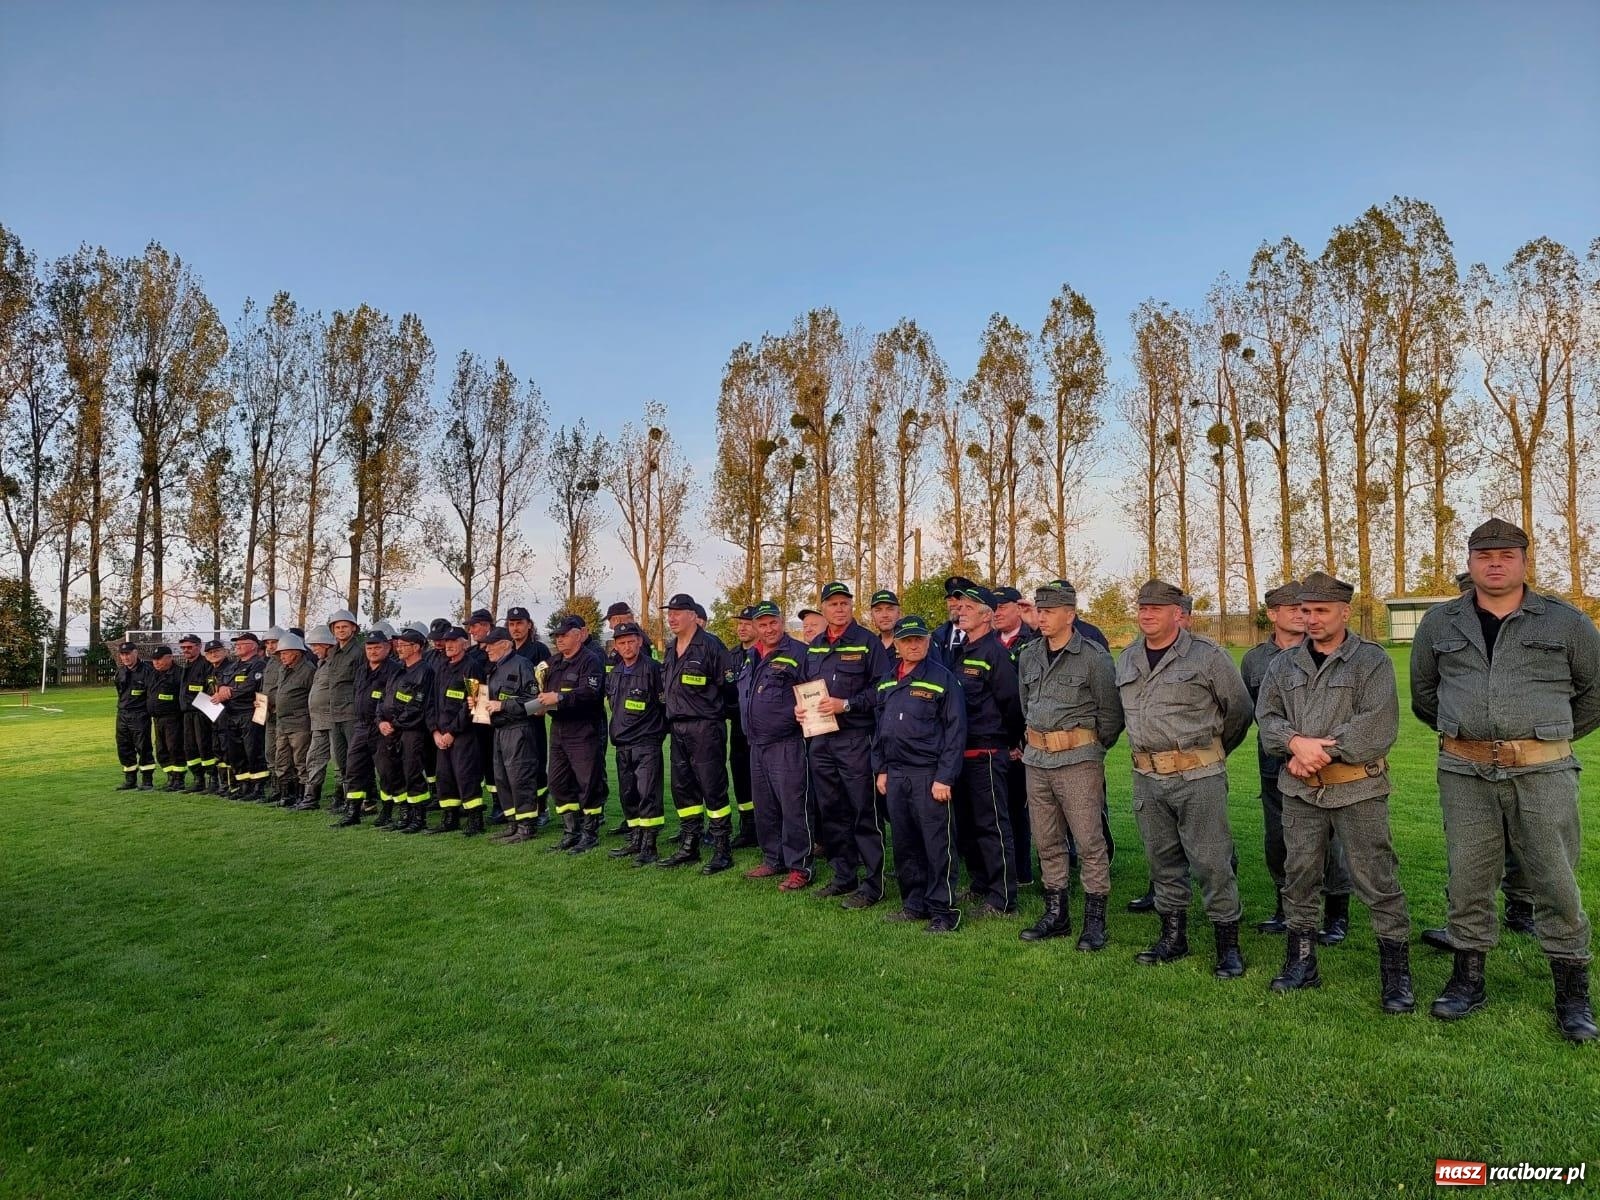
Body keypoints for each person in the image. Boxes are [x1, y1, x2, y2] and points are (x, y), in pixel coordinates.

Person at [1411, 518, 1599, 1043]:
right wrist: (1471, 737)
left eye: (1507, 554)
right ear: (1470, 562)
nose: (1495, 562)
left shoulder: (1567, 623)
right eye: (1484, 554)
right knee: (1468, 877)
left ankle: (1572, 992)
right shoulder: (1439, 623)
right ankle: (1467, 979)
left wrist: (1542, 736)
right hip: (1464, 772)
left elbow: (1593, 694)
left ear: (1524, 560)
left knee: (1555, 879)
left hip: (1544, 772)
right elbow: (1426, 696)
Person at [1256, 572, 1413, 1014]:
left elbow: (1377, 725)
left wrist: (1315, 751)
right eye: (1305, 610)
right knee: (1299, 876)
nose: (1311, 619)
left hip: (1357, 790)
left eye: (1321, 611)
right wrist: (1292, 743)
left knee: (1377, 879)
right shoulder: (1282, 665)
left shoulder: (1372, 662)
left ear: (1345, 612)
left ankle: (1395, 976)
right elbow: (1266, 717)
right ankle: (1301, 963)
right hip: (1300, 792)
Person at [1117, 579, 1253, 978]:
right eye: (1143, 607)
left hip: (1199, 777)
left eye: (1156, 608)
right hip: (1147, 776)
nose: (1147, 614)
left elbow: (1240, 711)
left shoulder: (1209, 657)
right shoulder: (1127, 659)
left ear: (1178, 614)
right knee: (1162, 861)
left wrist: (1208, 753)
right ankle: (1172, 937)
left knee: (1212, 862)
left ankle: (1228, 946)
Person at [1240, 582, 1353, 938]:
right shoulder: (1255, 660)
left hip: (1325, 760)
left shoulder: (1325, 649)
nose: (1301, 615)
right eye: (1292, 608)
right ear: (1272, 614)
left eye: (1305, 608)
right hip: (1275, 760)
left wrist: (1315, 751)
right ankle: (1286, 907)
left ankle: (1336, 913)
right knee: (1278, 837)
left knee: (1330, 839)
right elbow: (1251, 712)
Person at [1015, 582, 1124, 950]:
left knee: (1089, 841)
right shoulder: (1029, 655)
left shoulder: (1094, 657)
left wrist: (1091, 748)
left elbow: (1111, 715)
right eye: (1039, 611)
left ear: (1069, 615)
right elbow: (1025, 703)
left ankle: (1095, 922)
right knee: (1046, 840)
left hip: (1078, 760)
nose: (1041, 617)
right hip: (1037, 759)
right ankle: (1056, 913)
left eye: (1048, 611)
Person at [799, 582, 893, 907]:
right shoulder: (814, 646)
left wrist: (847, 704)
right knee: (831, 811)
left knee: (862, 811)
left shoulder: (867, 643)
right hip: (821, 739)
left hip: (855, 739)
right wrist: (800, 708)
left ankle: (872, 883)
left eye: (845, 603)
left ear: (851, 606)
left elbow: (883, 689)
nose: (839, 609)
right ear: (823, 609)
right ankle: (843, 875)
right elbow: (804, 686)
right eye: (833, 604)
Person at [873, 615, 968, 933]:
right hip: (896, 775)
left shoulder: (943, 679)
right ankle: (914, 904)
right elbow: (880, 728)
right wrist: (882, 769)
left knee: (937, 845)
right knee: (905, 844)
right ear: (896, 645)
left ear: (928, 642)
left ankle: (943, 911)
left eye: (919, 639)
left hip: (929, 776)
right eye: (907, 640)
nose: (913, 645)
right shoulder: (887, 680)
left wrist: (945, 776)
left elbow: (956, 731)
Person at [948, 582, 1025, 918]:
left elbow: (1012, 705)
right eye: (959, 607)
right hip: (960, 753)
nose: (959, 611)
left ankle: (1002, 897)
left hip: (987, 752)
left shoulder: (996, 655)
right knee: (967, 825)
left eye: (967, 608)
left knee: (992, 824)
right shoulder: (960, 651)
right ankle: (980, 883)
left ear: (987, 615)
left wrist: (1007, 743)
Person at [659, 593, 738, 870]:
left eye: (678, 612)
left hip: (705, 727)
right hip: (677, 728)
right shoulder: (670, 648)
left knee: (712, 786)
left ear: (693, 615)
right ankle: (689, 844)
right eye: (670, 612)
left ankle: (722, 849)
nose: (672, 617)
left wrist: (714, 713)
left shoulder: (711, 645)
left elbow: (729, 688)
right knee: (683, 788)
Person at [737, 600, 813, 888]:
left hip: (787, 742)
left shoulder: (798, 653)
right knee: (765, 806)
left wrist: (804, 716)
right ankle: (773, 859)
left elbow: (813, 693)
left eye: (773, 623)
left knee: (793, 807)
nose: (768, 629)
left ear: (782, 622)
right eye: (762, 624)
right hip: (757, 743)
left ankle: (800, 867)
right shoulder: (751, 655)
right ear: (755, 627)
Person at [537, 615, 608, 853]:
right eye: (557, 636)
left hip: (583, 729)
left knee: (588, 783)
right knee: (557, 782)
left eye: (564, 635)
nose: (559, 640)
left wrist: (560, 697)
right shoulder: (554, 662)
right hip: (559, 730)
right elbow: (545, 691)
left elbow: (591, 693)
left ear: (578, 635)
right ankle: (571, 831)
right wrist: (540, 705)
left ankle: (590, 833)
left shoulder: (591, 661)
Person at [605, 620, 668, 864]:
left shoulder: (654, 669)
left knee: (647, 794)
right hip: (622, 743)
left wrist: (656, 733)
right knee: (628, 794)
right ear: (616, 646)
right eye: (622, 643)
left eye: (631, 641)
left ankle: (649, 846)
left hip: (646, 743)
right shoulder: (616, 671)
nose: (627, 646)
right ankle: (635, 839)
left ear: (640, 642)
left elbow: (664, 705)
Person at [993, 585, 1040, 887]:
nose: (997, 613)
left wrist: (1021, 742)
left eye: (1003, 607)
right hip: (995, 738)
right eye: (993, 608)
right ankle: (1001, 869)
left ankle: (1022, 871)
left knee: (1020, 811)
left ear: (1018, 608)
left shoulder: (1031, 641)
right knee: (999, 810)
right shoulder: (989, 643)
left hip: (1024, 741)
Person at [481, 627, 545, 844]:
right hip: (499, 730)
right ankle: (513, 823)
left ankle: (527, 826)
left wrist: (503, 705)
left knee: (520, 777)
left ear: (506, 644)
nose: (486, 648)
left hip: (518, 730)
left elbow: (535, 703)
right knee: (502, 778)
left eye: (491, 643)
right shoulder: (495, 668)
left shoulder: (522, 664)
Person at [331, 630, 401, 828]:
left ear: (388, 647)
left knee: (386, 771)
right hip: (360, 725)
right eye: (369, 648)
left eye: (377, 647)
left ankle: (387, 811)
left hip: (382, 727)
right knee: (354, 767)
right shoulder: (362, 669)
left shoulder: (394, 670)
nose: (373, 651)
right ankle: (353, 811)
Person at [427, 626, 488, 836]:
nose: (449, 645)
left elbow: (474, 703)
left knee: (466, 775)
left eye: (454, 641)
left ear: (465, 643)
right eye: (446, 642)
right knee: (444, 776)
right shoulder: (442, 667)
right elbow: (432, 701)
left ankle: (474, 820)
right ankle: (449, 817)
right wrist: (435, 731)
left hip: (463, 734)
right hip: (441, 735)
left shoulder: (473, 667)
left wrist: (452, 732)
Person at [378, 627, 435, 833]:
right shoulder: (398, 670)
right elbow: (384, 699)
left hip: (412, 731)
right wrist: (381, 721)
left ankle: (418, 817)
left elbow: (417, 705)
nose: (399, 648)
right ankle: (404, 814)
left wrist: (395, 723)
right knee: (392, 771)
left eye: (403, 645)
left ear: (417, 647)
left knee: (413, 772)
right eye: (398, 645)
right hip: (391, 730)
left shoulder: (425, 671)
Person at [216, 632, 269, 800]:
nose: (237, 646)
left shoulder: (258, 665)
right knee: (236, 752)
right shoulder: (233, 666)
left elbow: (251, 686)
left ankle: (258, 787)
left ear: (253, 646)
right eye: (236, 643)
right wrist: (223, 688)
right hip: (232, 713)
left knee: (253, 750)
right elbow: (221, 681)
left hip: (251, 712)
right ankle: (243, 785)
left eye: (242, 643)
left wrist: (229, 692)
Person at [323, 609, 364, 815]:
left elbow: (361, 683)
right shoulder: (333, 653)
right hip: (335, 713)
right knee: (341, 760)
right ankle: (348, 798)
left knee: (355, 759)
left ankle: (362, 800)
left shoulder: (358, 652)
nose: (340, 630)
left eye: (344, 627)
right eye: (337, 627)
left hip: (351, 712)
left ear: (354, 628)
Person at [270, 633, 316, 810]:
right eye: (280, 654)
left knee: (301, 760)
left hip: (299, 724)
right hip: (282, 723)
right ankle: (286, 794)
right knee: (281, 759)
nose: (281, 657)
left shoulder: (308, 671)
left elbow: (312, 696)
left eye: (285, 653)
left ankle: (302, 795)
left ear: (296, 653)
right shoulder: (283, 669)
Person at [726, 605, 760, 848]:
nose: (742, 627)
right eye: (740, 623)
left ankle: (768, 828)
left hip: (761, 729)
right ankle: (748, 828)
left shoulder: (765, 654)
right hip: (738, 729)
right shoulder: (730, 656)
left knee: (764, 780)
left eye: (747, 623)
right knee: (741, 778)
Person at [298, 625, 338, 812]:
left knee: (339, 761)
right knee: (314, 758)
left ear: (327, 644)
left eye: (316, 645)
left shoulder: (336, 663)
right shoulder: (321, 663)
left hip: (333, 720)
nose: (313, 649)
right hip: (318, 721)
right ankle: (310, 797)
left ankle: (341, 798)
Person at [113, 641, 154, 791]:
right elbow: (120, 691)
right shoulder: (120, 672)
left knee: (143, 747)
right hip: (122, 714)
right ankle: (130, 780)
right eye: (123, 654)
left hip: (140, 715)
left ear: (136, 653)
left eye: (128, 654)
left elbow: (151, 693)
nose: (125, 657)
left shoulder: (147, 671)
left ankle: (147, 781)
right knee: (123, 747)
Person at [145, 645, 186, 792]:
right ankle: (170, 776)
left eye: (159, 659)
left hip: (173, 718)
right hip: (157, 719)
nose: (156, 663)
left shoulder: (179, 674)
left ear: (170, 658)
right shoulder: (153, 674)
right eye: (154, 660)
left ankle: (179, 779)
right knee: (161, 750)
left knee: (174, 748)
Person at [176, 634, 213, 793]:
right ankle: (198, 779)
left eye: (189, 647)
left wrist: (203, 709)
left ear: (199, 646)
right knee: (190, 748)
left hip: (201, 712)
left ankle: (213, 779)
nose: (186, 650)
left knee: (204, 746)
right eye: (183, 648)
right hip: (187, 714)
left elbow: (210, 690)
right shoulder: (186, 665)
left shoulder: (205, 664)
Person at [868, 589, 902, 658]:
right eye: (878, 610)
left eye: (890, 609)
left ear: (898, 613)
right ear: (872, 616)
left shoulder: (911, 645)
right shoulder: (869, 647)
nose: (884, 615)